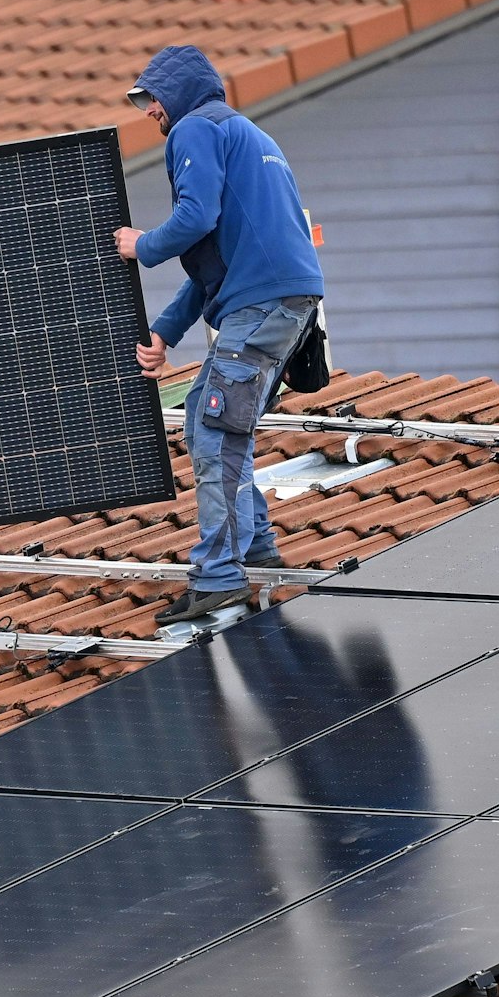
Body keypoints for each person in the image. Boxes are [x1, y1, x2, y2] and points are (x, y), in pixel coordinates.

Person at [112, 46, 324, 625]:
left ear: (176, 93)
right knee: (221, 424)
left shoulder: (195, 129)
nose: (149, 111)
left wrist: (143, 246)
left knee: (211, 428)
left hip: (262, 304)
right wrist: (164, 332)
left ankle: (220, 576)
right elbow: (220, 264)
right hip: (278, 302)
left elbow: (195, 218)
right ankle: (254, 551)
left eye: (151, 98)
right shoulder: (248, 136)